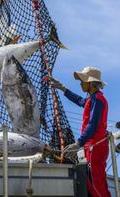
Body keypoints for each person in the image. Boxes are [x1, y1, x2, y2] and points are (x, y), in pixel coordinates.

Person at [50, 66, 111, 197]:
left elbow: (93, 124)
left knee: (95, 183)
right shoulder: (93, 98)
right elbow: (79, 100)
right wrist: (62, 88)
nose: (80, 83)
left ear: (91, 83)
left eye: (83, 80)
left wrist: (78, 143)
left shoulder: (98, 99)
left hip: (96, 147)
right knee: (95, 181)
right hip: (92, 147)